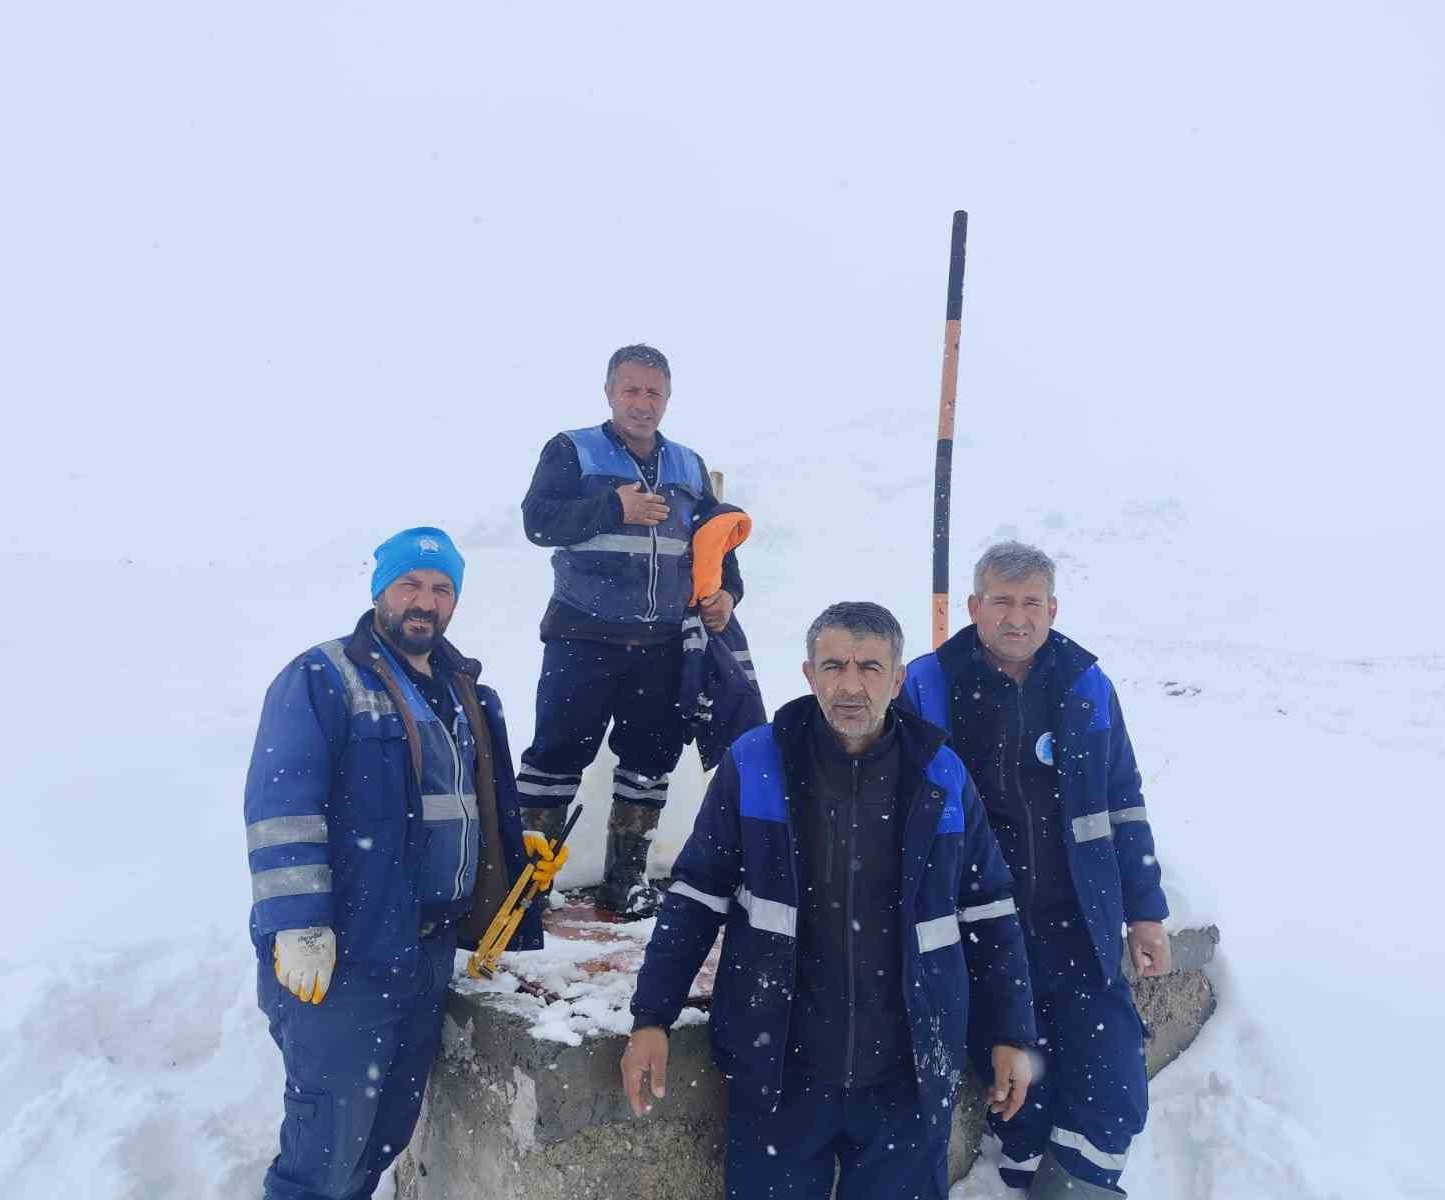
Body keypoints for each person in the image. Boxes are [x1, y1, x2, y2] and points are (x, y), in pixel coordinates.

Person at [622, 602, 1036, 1200]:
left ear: (897, 680)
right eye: (834, 665)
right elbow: (694, 896)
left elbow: (990, 909)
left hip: (908, 1077)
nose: (849, 685)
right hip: (781, 1073)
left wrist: (1011, 1031)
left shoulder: (941, 775)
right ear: (808, 674)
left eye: (870, 667)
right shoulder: (756, 764)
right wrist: (652, 1016)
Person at [242, 526, 565, 1200]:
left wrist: (510, 860)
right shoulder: (324, 676)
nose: (426, 600)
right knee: (326, 1145)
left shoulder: (465, 687)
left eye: (442, 588)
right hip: (346, 953)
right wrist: (298, 922)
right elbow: (282, 807)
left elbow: (477, 800)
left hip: (425, 949)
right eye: (411, 585)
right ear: (380, 590)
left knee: (384, 1131)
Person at [899, 541, 1171, 1200]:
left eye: (1030, 603)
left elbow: (1123, 801)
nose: (1015, 618)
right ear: (974, 606)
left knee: (1113, 1085)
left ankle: (1075, 1187)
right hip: (983, 935)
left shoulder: (1085, 685)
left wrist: (1147, 910)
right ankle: (1033, 1180)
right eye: (1001, 601)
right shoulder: (928, 685)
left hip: (1079, 924)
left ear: (1052, 609)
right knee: (1020, 1099)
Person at [517, 343, 744, 916]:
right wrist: (612, 508)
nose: (642, 403)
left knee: (651, 760)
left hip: (663, 645)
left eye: (654, 392)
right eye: (631, 390)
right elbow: (538, 523)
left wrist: (726, 595)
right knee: (555, 758)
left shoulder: (689, 467)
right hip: (582, 638)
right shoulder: (574, 451)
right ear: (609, 392)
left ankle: (627, 880)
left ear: (668, 398)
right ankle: (526, 884)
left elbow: (717, 542)